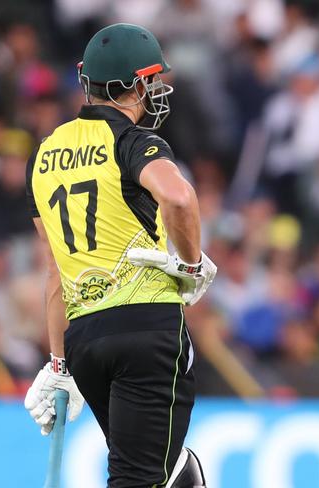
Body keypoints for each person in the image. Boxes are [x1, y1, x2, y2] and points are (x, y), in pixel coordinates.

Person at [23, 23, 216, 487]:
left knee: (157, 471)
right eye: (149, 81)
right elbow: (180, 197)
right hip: (147, 327)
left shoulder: (44, 154)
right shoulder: (132, 142)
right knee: (140, 477)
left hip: (86, 339)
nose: (154, 92)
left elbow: (55, 271)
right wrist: (190, 264)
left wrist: (58, 362)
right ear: (131, 85)